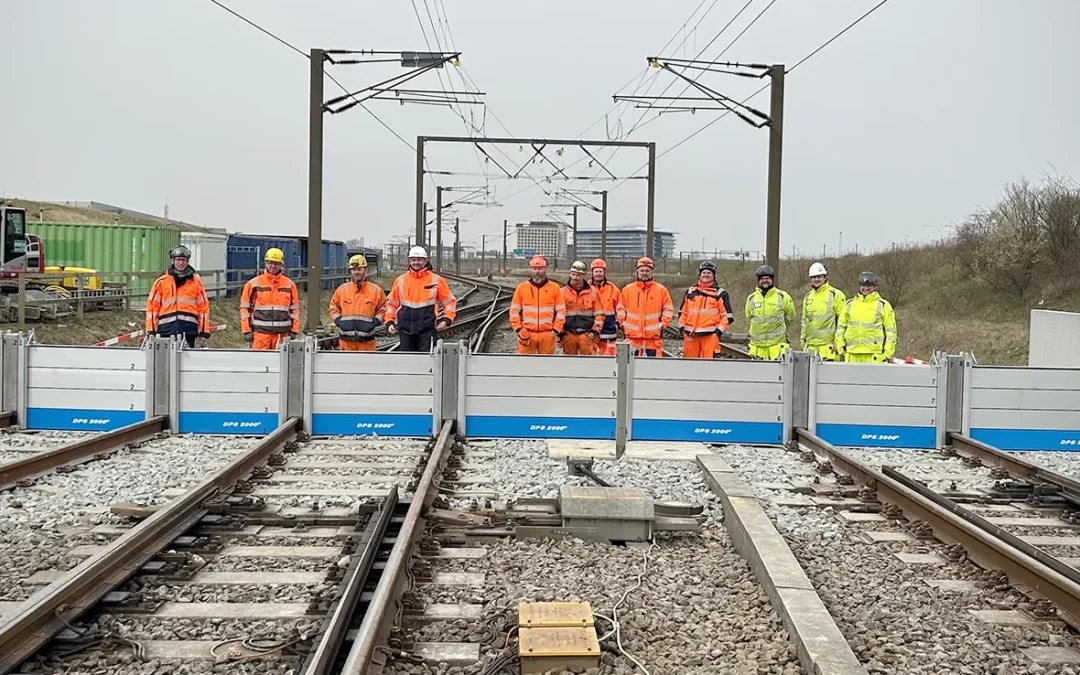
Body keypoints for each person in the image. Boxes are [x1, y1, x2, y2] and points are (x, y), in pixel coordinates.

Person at [385, 246, 457, 353]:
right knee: (408, 362)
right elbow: (391, 304)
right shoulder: (400, 280)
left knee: (426, 362)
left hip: (427, 329)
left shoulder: (436, 280)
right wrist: (389, 322)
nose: (416, 262)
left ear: (425, 260)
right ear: (409, 261)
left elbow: (449, 302)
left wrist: (447, 320)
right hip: (405, 330)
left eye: (419, 260)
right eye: (413, 260)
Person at [146, 245, 211, 349]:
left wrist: (204, 332)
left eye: (184, 260)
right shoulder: (161, 282)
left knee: (187, 363)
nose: (181, 263)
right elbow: (152, 308)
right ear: (173, 260)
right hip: (166, 330)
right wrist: (151, 330)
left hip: (189, 329)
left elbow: (203, 308)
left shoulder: (196, 282)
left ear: (187, 261)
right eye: (178, 260)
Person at [241, 247, 299, 350]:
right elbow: (244, 309)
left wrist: (294, 330)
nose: (273, 266)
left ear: (281, 264)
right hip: (261, 335)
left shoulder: (290, 285)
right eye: (270, 262)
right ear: (265, 263)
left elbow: (295, 310)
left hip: (282, 335)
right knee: (260, 364)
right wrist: (247, 330)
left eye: (276, 263)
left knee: (281, 364)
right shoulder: (253, 284)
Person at [617, 257, 674, 357]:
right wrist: (623, 322)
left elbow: (668, 309)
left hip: (653, 340)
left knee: (652, 370)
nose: (644, 273)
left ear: (652, 271)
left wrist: (662, 324)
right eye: (642, 270)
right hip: (632, 339)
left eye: (647, 270)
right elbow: (620, 308)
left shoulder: (661, 290)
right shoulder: (628, 290)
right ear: (637, 271)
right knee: (631, 369)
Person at [329, 254, 387, 352]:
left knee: (365, 367)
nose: (356, 272)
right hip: (346, 343)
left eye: (359, 269)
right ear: (350, 271)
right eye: (354, 269)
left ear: (365, 270)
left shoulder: (375, 290)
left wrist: (376, 321)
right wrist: (339, 320)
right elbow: (333, 308)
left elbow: (384, 309)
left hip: (367, 343)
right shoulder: (342, 290)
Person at [510, 255, 565, 355]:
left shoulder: (555, 288)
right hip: (527, 333)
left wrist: (556, 330)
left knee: (546, 365)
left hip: (547, 334)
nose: (537, 271)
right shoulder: (522, 288)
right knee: (525, 364)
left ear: (546, 269)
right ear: (530, 269)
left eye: (540, 268)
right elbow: (514, 310)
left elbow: (561, 311)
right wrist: (518, 329)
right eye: (534, 269)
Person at [837, 271, 897, 363]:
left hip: (874, 356)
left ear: (874, 287)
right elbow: (841, 328)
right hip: (851, 354)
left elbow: (891, 331)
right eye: (863, 285)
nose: (865, 288)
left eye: (869, 286)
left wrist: (887, 353)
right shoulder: (849, 304)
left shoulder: (883, 305)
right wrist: (841, 349)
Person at [677, 260, 729, 359]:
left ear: (714, 275)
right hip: (690, 335)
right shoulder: (690, 291)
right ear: (700, 275)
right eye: (704, 272)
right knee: (689, 366)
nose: (706, 275)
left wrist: (717, 333)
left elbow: (726, 317)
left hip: (710, 336)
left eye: (709, 273)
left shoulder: (720, 293)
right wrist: (682, 330)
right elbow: (683, 313)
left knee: (710, 367)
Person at [745, 264, 795, 360]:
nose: (765, 281)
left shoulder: (783, 297)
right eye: (762, 279)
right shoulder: (751, 298)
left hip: (777, 348)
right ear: (758, 281)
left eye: (767, 278)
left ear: (772, 280)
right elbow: (749, 318)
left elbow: (790, 318)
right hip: (757, 348)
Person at [800, 262, 846, 361]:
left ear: (825, 277)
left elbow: (843, 322)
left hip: (829, 348)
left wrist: (838, 342)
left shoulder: (836, 295)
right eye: (813, 277)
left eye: (819, 277)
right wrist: (802, 341)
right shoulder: (808, 297)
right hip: (811, 347)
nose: (816, 279)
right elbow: (805, 320)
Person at [560, 261, 603, 355]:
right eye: (573, 274)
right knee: (569, 364)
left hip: (586, 335)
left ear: (584, 275)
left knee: (588, 364)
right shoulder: (562, 293)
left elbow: (599, 315)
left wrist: (594, 332)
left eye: (578, 275)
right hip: (568, 335)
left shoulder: (593, 293)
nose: (575, 277)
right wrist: (561, 333)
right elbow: (557, 315)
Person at [590, 258, 620, 356]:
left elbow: (620, 307)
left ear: (604, 272)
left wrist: (618, 324)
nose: (598, 273)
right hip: (591, 328)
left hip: (609, 330)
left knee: (610, 357)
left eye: (600, 271)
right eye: (596, 271)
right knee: (591, 357)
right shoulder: (586, 288)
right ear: (592, 272)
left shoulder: (612, 289)